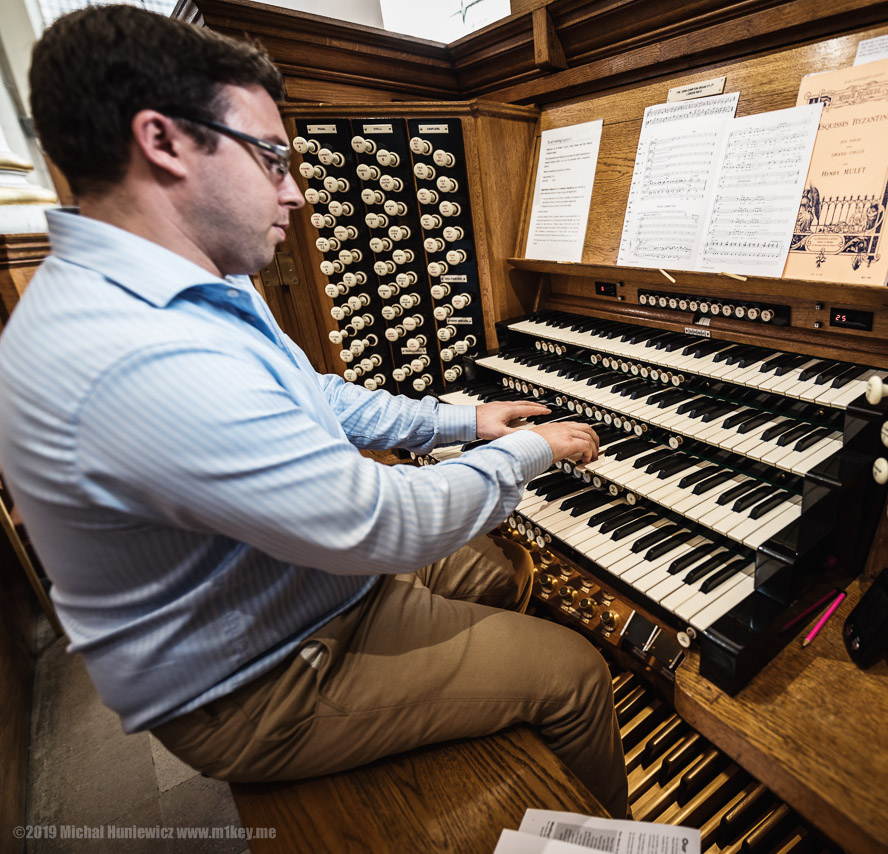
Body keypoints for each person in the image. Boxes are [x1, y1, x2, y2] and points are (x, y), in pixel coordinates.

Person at [0, 5, 628, 818]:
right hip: (258, 677)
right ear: (164, 143)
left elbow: (315, 395)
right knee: (572, 673)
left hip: (300, 582)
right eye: (270, 158)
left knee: (490, 569)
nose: (295, 192)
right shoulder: (133, 355)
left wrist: (463, 422)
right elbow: (381, 524)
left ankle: (495, 757)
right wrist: (532, 450)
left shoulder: (196, 272)